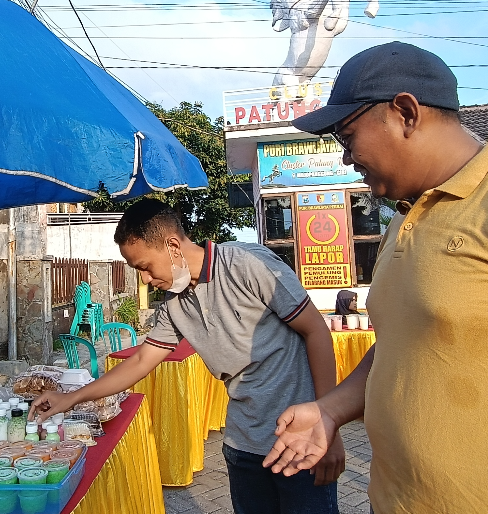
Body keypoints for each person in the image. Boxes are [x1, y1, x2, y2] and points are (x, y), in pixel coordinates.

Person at [262, 41, 488, 513]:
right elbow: (404, 341)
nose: (346, 159)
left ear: (406, 113)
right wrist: (329, 410)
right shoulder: (402, 218)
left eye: (346, 137)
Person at [31, 199, 344, 514]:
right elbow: (141, 361)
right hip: (243, 444)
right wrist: (71, 398)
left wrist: (327, 427)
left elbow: (316, 331)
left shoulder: (246, 264)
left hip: (301, 440)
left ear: (172, 246)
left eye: (144, 267)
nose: (144, 279)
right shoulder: (174, 303)